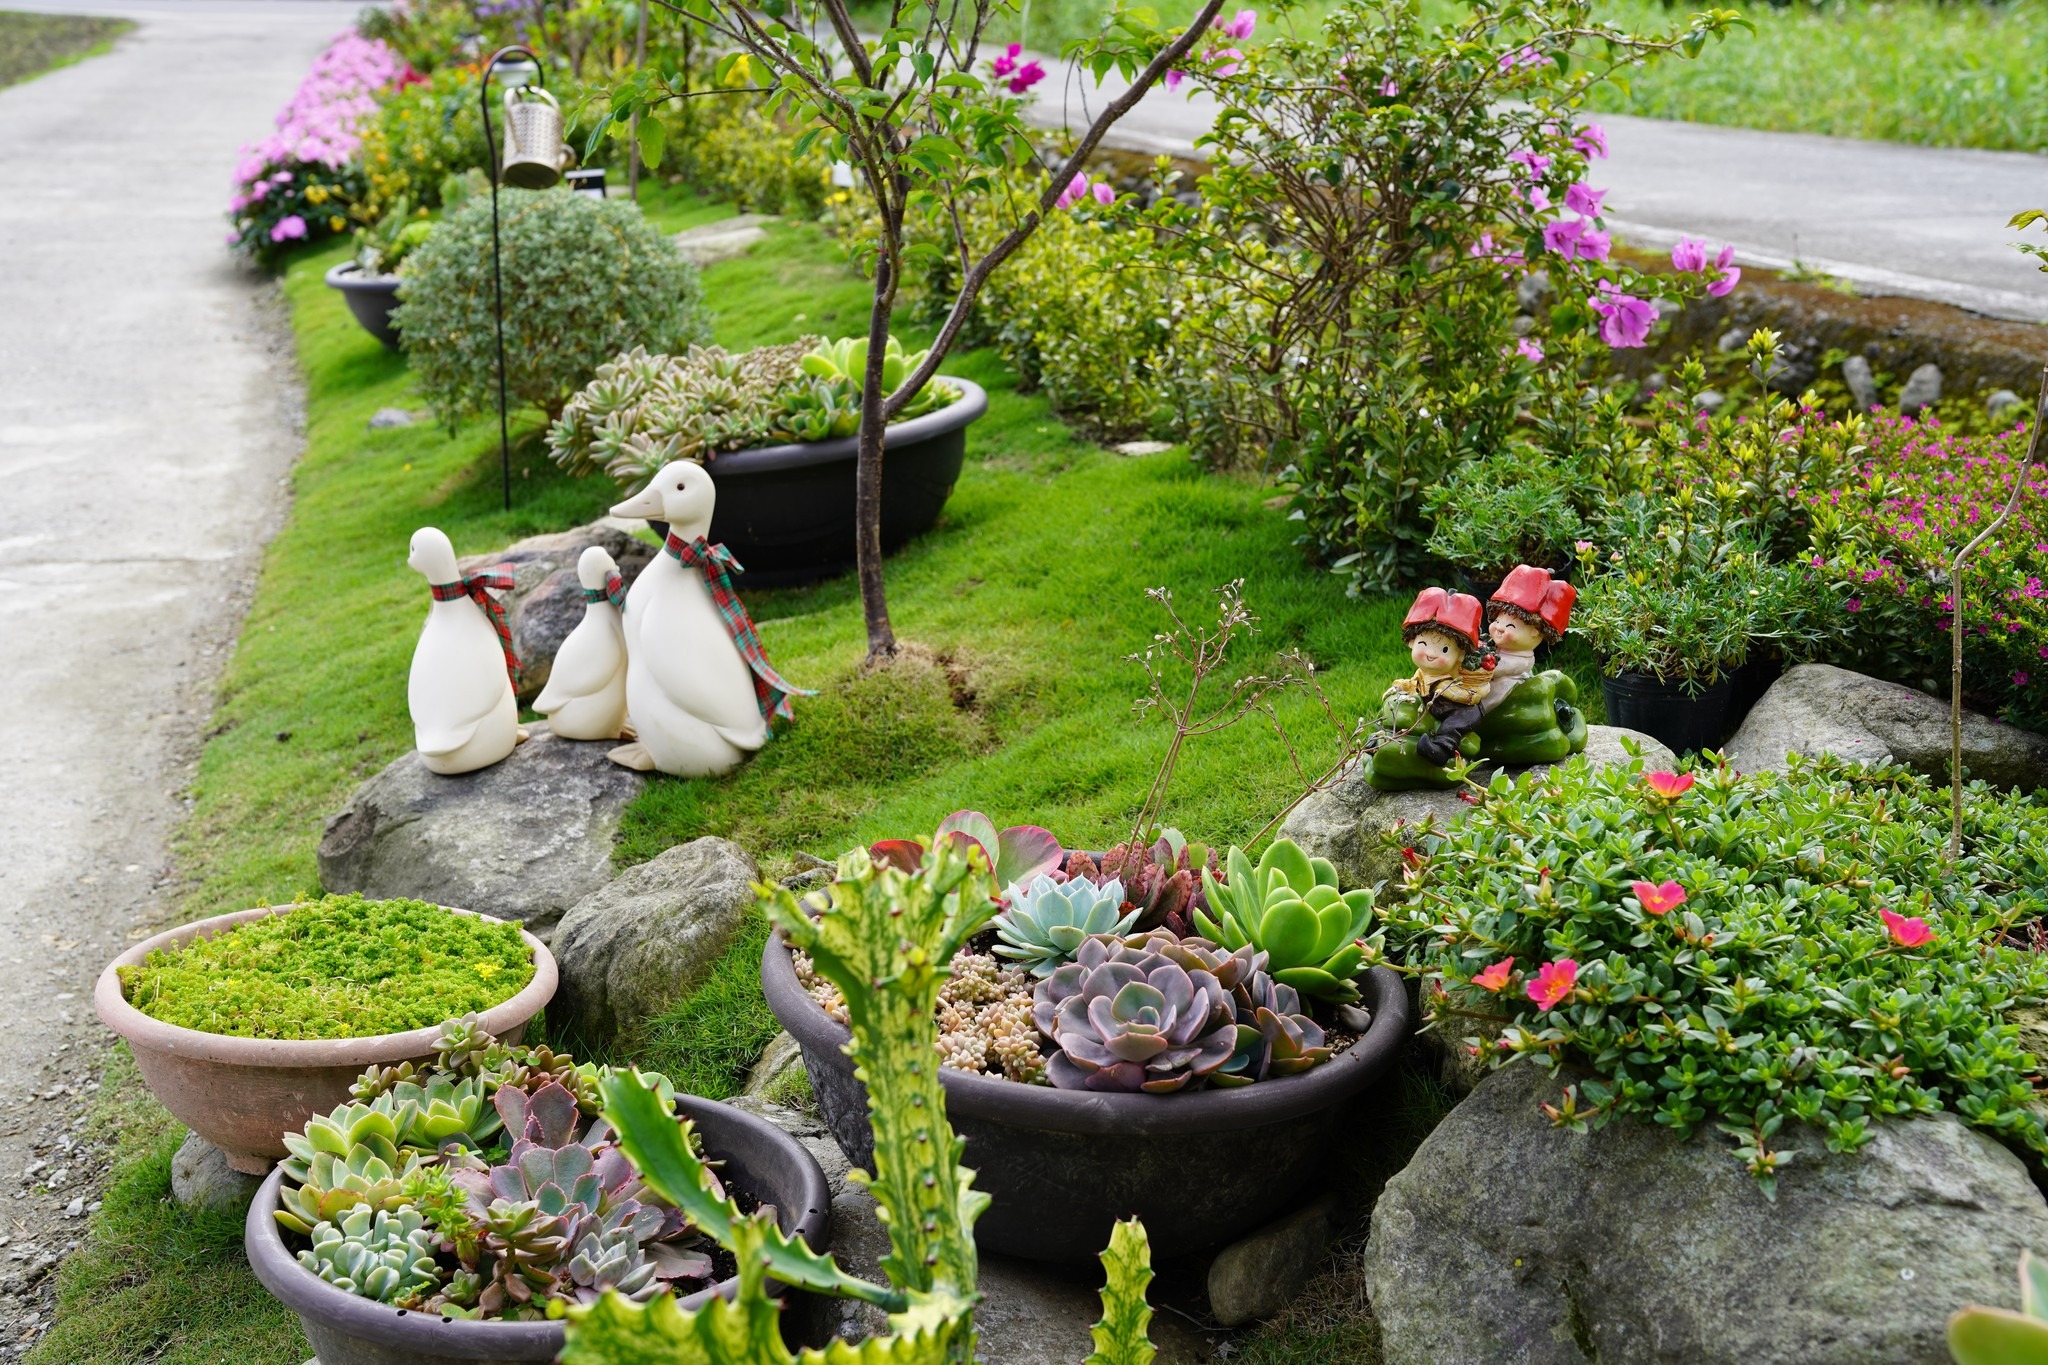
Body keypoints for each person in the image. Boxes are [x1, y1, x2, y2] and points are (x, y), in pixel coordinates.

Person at [1386, 587, 1494, 766]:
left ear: (1460, 654)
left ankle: (1441, 749)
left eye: (1444, 649)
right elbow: (1416, 683)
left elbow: (1471, 695)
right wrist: (1404, 687)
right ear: (1411, 642)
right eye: (1423, 643)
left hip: (1461, 709)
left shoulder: (1457, 679)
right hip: (1433, 704)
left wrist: (1443, 689)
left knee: (1454, 725)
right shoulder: (1423, 675)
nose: (1431, 653)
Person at [1481, 565, 1577, 714]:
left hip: (1502, 696)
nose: (1498, 628)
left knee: (1485, 702)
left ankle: (1476, 715)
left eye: (1510, 626)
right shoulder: (1496, 647)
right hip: (1484, 686)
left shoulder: (1520, 660)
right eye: (1497, 621)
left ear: (1534, 632)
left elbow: (1495, 669)